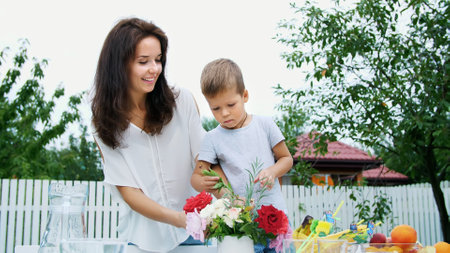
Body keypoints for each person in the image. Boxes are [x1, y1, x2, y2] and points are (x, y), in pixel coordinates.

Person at [91, 18, 206, 252]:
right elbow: (129, 191)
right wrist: (177, 218)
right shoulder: (103, 123)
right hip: (141, 240)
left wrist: (227, 199)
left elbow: (204, 161)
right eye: (143, 62)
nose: (154, 69)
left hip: (195, 232)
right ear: (118, 66)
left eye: (158, 59)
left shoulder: (182, 101)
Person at [191, 58, 293, 252]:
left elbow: (286, 159)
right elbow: (197, 175)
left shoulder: (265, 125)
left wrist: (272, 171)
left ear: (245, 95)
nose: (225, 114)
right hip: (239, 227)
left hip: (276, 221)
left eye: (231, 104)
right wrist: (201, 183)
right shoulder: (212, 138)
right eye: (216, 108)